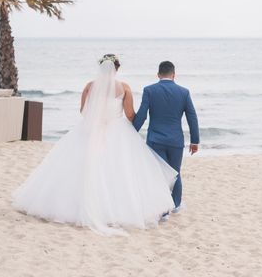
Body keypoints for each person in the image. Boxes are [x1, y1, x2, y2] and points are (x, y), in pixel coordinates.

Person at [12, 54, 177, 235]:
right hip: (118, 130)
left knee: (82, 168)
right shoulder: (124, 88)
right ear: (117, 69)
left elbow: (83, 111)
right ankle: (116, 209)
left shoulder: (90, 87)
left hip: (90, 131)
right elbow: (130, 115)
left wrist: (98, 120)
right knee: (120, 170)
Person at [133, 60, 199, 219]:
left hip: (155, 139)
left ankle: (163, 212)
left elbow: (142, 114)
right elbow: (192, 117)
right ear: (174, 75)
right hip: (175, 141)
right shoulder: (184, 92)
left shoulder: (149, 90)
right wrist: (195, 140)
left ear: (158, 75)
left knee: (159, 174)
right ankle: (175, 205)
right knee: (175, 172)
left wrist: (132, 131)